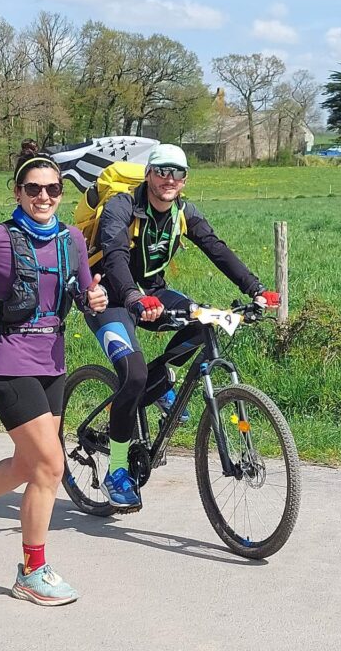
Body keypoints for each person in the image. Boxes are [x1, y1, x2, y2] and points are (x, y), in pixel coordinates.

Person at [0, 142, 108, 607]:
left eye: (53, 189)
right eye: (34, 189)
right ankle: (31, 571)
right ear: (17, 192)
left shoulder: (72, 239)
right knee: (51, 465)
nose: (44, 196)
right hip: (10, 362)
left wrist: (97, 299)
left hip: (53, 361)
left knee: (30, 464)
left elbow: (88, 289)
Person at [86, 144, 279, 509]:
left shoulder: (183, 212)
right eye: (161, 171)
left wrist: (256, 289)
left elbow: (216, 248)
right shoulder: (121, 207)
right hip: (109, 297)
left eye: (177, 173)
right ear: (149, 174)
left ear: (185, 179)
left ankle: (160, 383)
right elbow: (113, 255)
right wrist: (131, 297)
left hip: (153, 294)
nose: (169, 179)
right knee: (134, 374)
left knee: (204, 321)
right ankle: (116, 470)